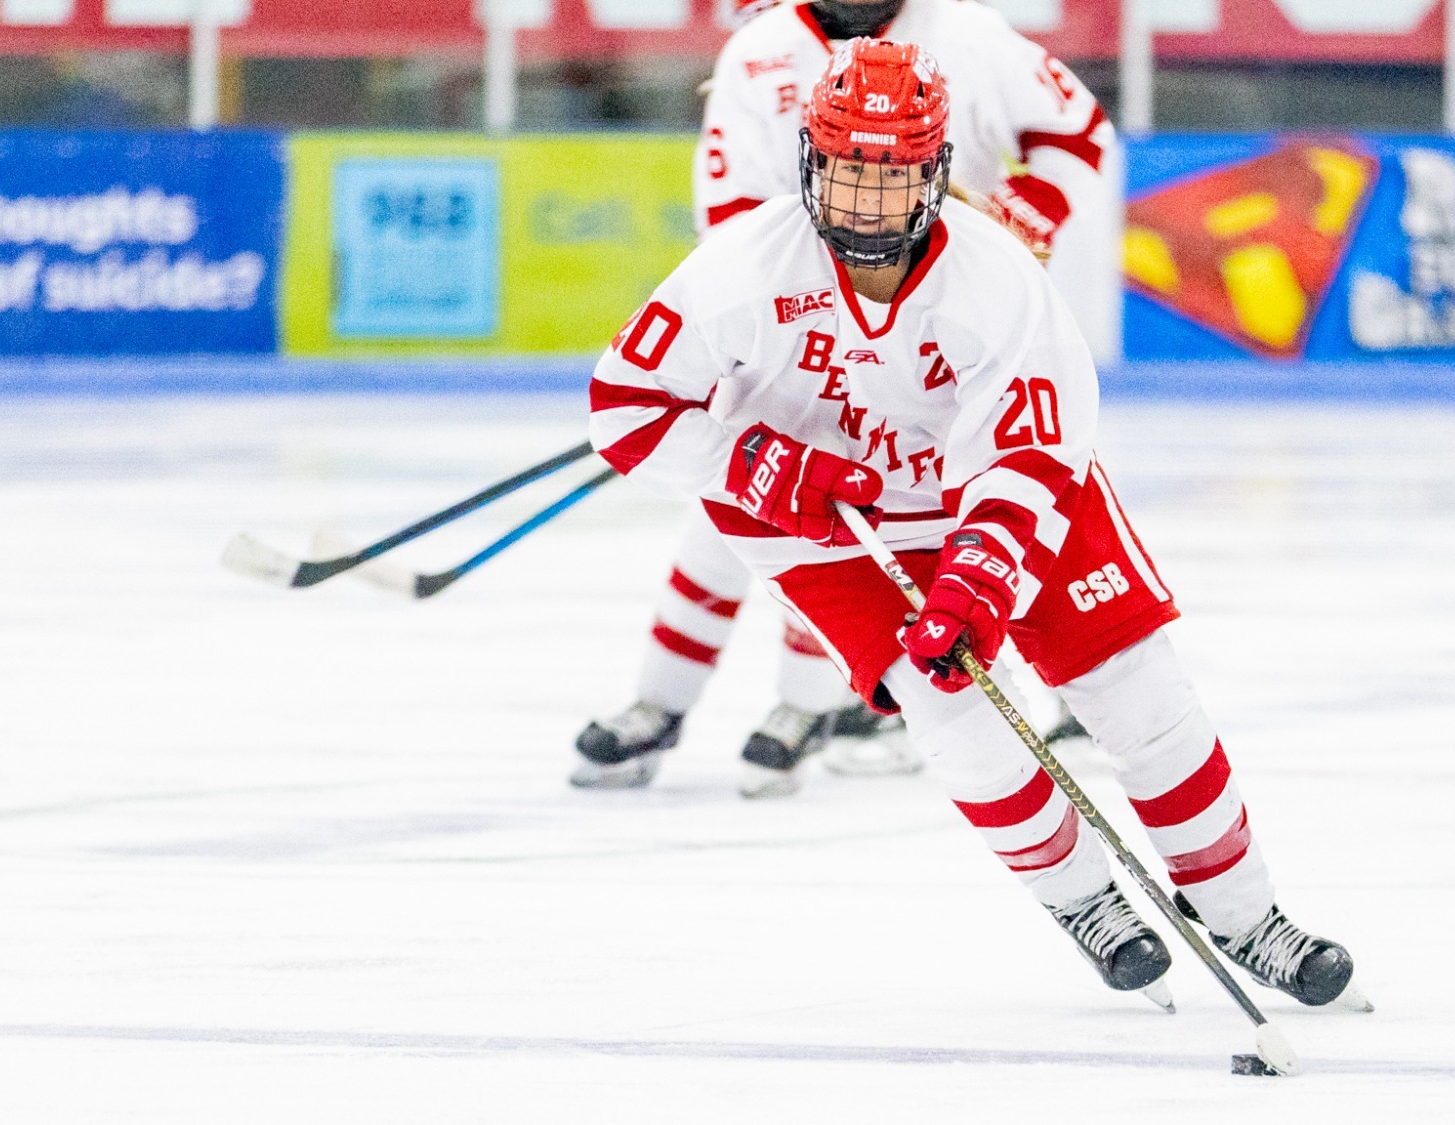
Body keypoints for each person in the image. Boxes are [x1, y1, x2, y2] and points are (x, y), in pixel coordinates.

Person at [583, 38, 1357, 1010]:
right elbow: (622, 409)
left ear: (936, 174)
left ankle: (1247, 916)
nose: (867, 205)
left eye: (893, 177)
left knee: (1139, 697)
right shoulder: (737, 267)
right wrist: (761, 465)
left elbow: (1032, 453)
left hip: (997, 498)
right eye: (848, 174)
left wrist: (979, 576)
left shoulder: (994, 277)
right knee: (953, 721)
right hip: (822, 521)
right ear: (810, 164)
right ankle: (1083, 901)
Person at [571, 0, 1111, 798]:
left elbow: (1078, 132)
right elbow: (728, 222)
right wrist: (755, 328)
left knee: (987, 513)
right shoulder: (761, 53)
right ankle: (666, 699)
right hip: (800, 335)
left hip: (948, 341)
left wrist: (1020, 221)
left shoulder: (966, 34)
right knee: (753, 502)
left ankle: (816, 704)